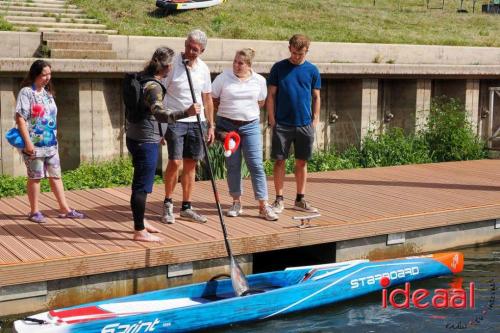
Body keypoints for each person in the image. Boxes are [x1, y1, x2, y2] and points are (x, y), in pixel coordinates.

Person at [126, 47, 200, 242]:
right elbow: (159, 113)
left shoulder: (143, 77)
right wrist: (186, 112)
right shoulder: (154, 86)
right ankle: (139, 231)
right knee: (142, 186)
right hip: (145, 141)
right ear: (166, 66)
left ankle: (140, 221)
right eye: (171, 65)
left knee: (139, 183)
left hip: (134, 136)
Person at [212, 48, 278, 221]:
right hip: (227, 126)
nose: (236, 65)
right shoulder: (223, 78)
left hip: (250, 126)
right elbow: (213, 99)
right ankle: (236, 202)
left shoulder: (259, 81)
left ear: (249, 65)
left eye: (240, 63)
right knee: (233, 165)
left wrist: (244, 113)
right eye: (234, 61)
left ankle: (263, 206)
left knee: (256, 164)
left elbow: (261, 101)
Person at [15, 60, 85, 223]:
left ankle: (64, 208)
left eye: (49, 74)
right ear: (35, 74)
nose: (47, 77)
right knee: (35, 177)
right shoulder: (26, 92)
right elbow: (20, 119)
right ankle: (34, 212)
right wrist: (28, 143)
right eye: (44, 74)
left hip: (51, 145)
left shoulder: (47, 93)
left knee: (56, 176)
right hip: (34, 146)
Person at [162, 29, 215, 224]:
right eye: (188, 46)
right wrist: (160, 126)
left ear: (202, 50)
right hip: (175, 120)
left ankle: (186, 206)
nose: (190, 51)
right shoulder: (172, 64)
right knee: (175, 162)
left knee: (191, 164)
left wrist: (211, 125)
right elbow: (161, 93)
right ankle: (168, 203)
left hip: (197, 123)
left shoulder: (203, 68)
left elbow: (207, 98)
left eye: (195, 49)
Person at [266, 34, 321, 214]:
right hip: (282, 123)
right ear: (289, 48)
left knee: (302, 162)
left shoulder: (312, 70)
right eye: (295, 52)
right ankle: (279, 199)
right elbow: (271, 95)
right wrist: (272, 119)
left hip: (304, 124)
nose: (298, 57)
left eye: (302, 54)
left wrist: (315, 118)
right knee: (280, 161)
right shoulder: (279, 68)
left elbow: (316, 96)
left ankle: (300, 199)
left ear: (307, 51)